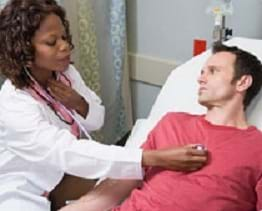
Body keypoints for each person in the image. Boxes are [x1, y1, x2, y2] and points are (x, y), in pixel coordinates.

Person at [0, 0, 208, 210]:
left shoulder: (65, 75)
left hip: (62, 176)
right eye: (52, 42)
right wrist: (152, 157)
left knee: (138, 190)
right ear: (22, 51)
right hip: (23, 186)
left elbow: (97, 119)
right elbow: (66, 151)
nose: (64, 46)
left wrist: (78, 102)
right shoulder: (14, 103)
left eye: (64, 37)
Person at [60, 44, 262, 211]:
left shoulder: (256, 148)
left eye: (213, 71)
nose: (200, 78)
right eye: (201, 72)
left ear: (242, 82)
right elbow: (118, 185)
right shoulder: (173, 122)